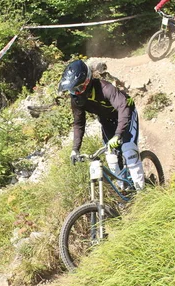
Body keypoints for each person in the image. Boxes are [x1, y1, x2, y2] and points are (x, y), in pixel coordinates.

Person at [58, 60, 145, 191]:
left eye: (79, 88)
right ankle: (125, 193)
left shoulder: (105, 88)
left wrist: (118, 134)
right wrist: (75, 149)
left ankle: (143, 195)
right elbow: (78, 123)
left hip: (126, 114)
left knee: (129, 151)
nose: (76, 93)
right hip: (107, 121)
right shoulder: (76, 100)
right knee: (111, 158)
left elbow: (123, 107)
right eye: (72, 90)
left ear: (87, 82)